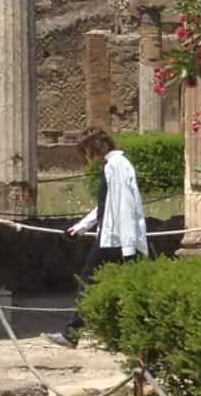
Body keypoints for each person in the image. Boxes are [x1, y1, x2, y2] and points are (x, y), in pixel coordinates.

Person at [64, 127, 149, 340]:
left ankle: (73, 334)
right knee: (116, 285)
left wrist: (128, 247)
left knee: (88, 282)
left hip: (115, 240)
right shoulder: (113, 165)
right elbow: (107, 205)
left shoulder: (117, 166)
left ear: (94, 148)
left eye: (86, 152)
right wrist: (80, 227)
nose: (86, 158)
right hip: (112, 237)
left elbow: (125, 207)